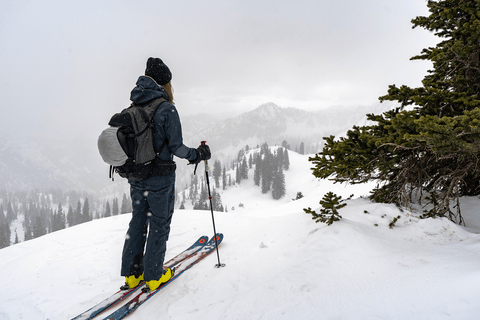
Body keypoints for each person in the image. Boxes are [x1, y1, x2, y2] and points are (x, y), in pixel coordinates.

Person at [120, 57, 211, 291]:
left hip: (137, 177)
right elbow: (177, 147)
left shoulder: (134, 106)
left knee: (138, 222)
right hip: (160, 179)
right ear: (164, 83)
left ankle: (133, 275)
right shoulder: (166, 108)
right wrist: (198, 154)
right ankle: (153, 276)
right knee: (159, 224)